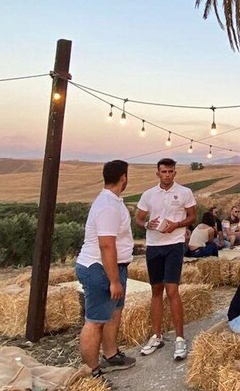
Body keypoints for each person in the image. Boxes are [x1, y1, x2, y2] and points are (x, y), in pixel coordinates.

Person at [75, 160, 136, 378]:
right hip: (99, 269)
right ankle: (90, 372)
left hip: (112, 267)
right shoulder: (108, 206)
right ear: (123, 178)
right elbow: (106, 245)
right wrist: (114, 281)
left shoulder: (113, 201)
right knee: (95, 321)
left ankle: (110, 355)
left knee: (113, 313)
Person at [134, 158, 197, 360]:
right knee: (156, 290)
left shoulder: (185, 192)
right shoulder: (148, 194)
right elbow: (139, 218)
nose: (167, 175)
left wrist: (176, 225)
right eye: (164, 172)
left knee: (172, 290)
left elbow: (192, 216)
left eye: (170, 171)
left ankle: (180, 338)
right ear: (158, 173)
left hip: (174, 244)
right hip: (154, 245)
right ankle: (156, 335)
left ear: (175, 173)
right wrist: (147, 225)